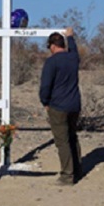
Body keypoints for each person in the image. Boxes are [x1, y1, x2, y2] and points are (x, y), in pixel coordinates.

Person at [39, 27, 82, 185]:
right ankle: (77, 170)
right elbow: (74, 49)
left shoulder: (51, 62)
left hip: (58, 106)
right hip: (74, 105)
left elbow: (45, 86)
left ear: (52, 46)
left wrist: (45, 102)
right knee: (72, 137)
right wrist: (70, 37)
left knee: (62, 141)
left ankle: (67, 176)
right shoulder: (73, 58)